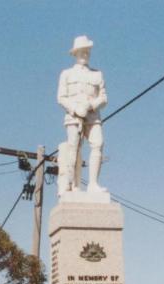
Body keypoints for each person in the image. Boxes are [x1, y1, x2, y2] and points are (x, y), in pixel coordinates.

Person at [57, 35, 108, 195]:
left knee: (98, 144)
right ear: (75, 53)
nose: (85, 54)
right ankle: (73, 184)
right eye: (82, 51)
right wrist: (75, 109)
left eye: (87, 51)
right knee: (74, 149)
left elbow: (104, 97)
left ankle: (93, 184)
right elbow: (61, 97)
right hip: (73, 117)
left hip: (93, 116)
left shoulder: (97, 74)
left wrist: (91, 105)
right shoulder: (66, 74)